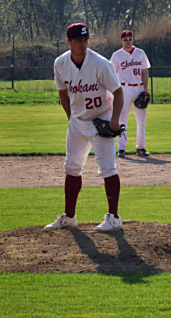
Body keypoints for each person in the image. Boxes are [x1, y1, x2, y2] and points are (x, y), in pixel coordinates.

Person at [45, 23, 125, 232]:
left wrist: (115, 119)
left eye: (86, 39)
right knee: (71, 167)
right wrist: (71, 117)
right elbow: (62, 92)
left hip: (101, 120)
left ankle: (114, 218)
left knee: (107, 167)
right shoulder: (60, 63)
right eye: (79, 40)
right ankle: (69, 217)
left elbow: (118, 92)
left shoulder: (101, 64)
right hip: (78, 123)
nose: (83, 44)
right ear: (68, 42)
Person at [110, 30, 151, 157]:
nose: (128, 41)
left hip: (138, 88)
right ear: (121, 41)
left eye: (130, 39)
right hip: (124, 89)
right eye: (126, 39)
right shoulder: (116, 55)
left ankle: (141, 147)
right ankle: (121, 148)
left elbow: (144, 72)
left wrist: (145, 89)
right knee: (122, 119)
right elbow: (111, 73)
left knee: (142, 120)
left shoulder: (140, 53)